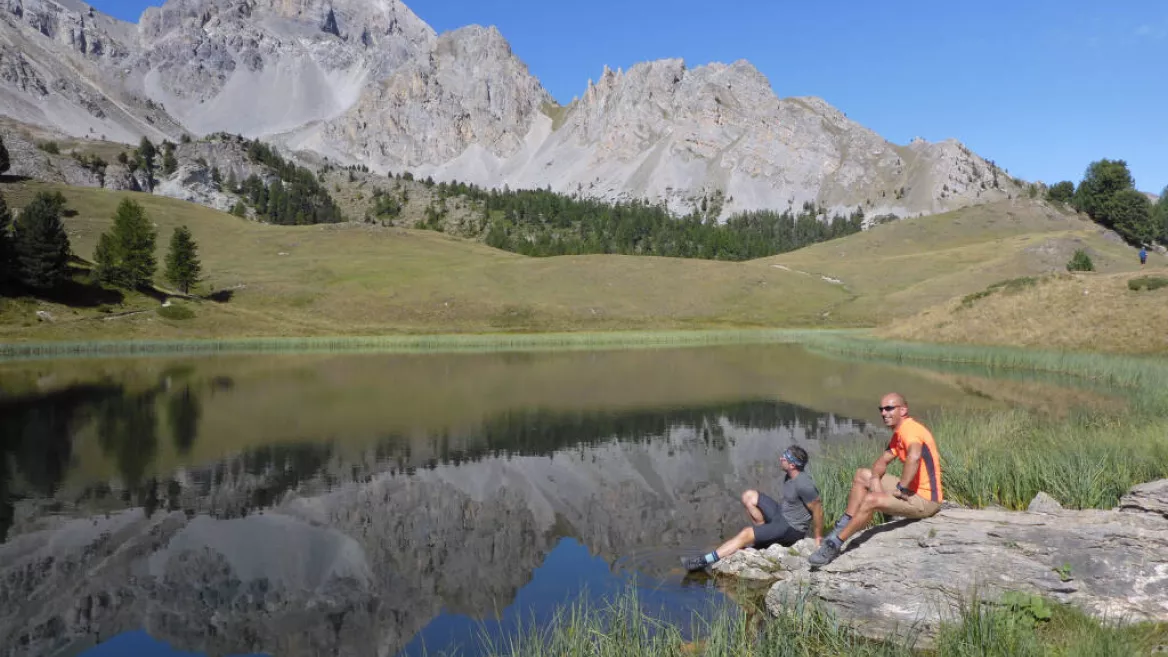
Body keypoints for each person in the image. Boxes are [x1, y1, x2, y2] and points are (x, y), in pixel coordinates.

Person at [808, 392, 943, 567]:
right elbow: (883, 460)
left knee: (871, 500)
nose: (884, 413)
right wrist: (875, 479)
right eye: (881, 409)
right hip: (913, 492)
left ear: (903, 410)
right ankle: (844, 525)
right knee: (861, 475)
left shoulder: (911, 431)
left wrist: (901, 488)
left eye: (889, 408)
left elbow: (915, 456)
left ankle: (833, 545)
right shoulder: (899, 432)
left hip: (926, 500)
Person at [682, 445, 823, 571]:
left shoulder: (804, 484)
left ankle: (702, 561)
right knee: (749, 496)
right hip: (781, 515)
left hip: (791, 528)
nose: (781, 458)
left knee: (746, 533)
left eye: (784, 457)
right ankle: (763, 538)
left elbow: (818, 509)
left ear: (792, 465)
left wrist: (817, 537)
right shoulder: (789, 475)